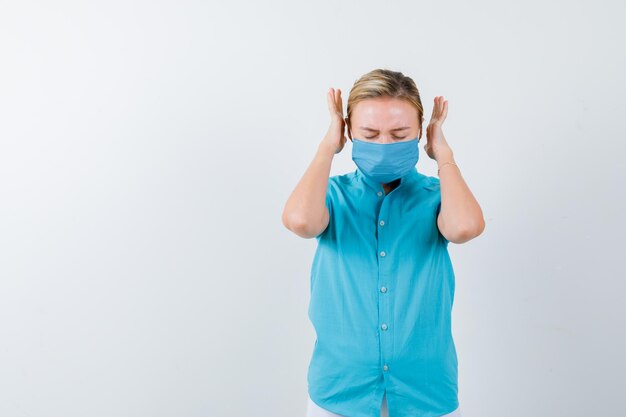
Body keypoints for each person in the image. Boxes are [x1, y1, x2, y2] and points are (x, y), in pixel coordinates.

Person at [282, 69, 485, 417]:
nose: (384, 145)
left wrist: (443, 155)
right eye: (370, 134)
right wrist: (327, 147)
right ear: (349, 131)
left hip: (425, 391)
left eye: (399, 133)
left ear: (419, 131)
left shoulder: (438, 196)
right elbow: (300, 222)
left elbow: (464, 228)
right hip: (341, 391)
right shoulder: (332, 195)